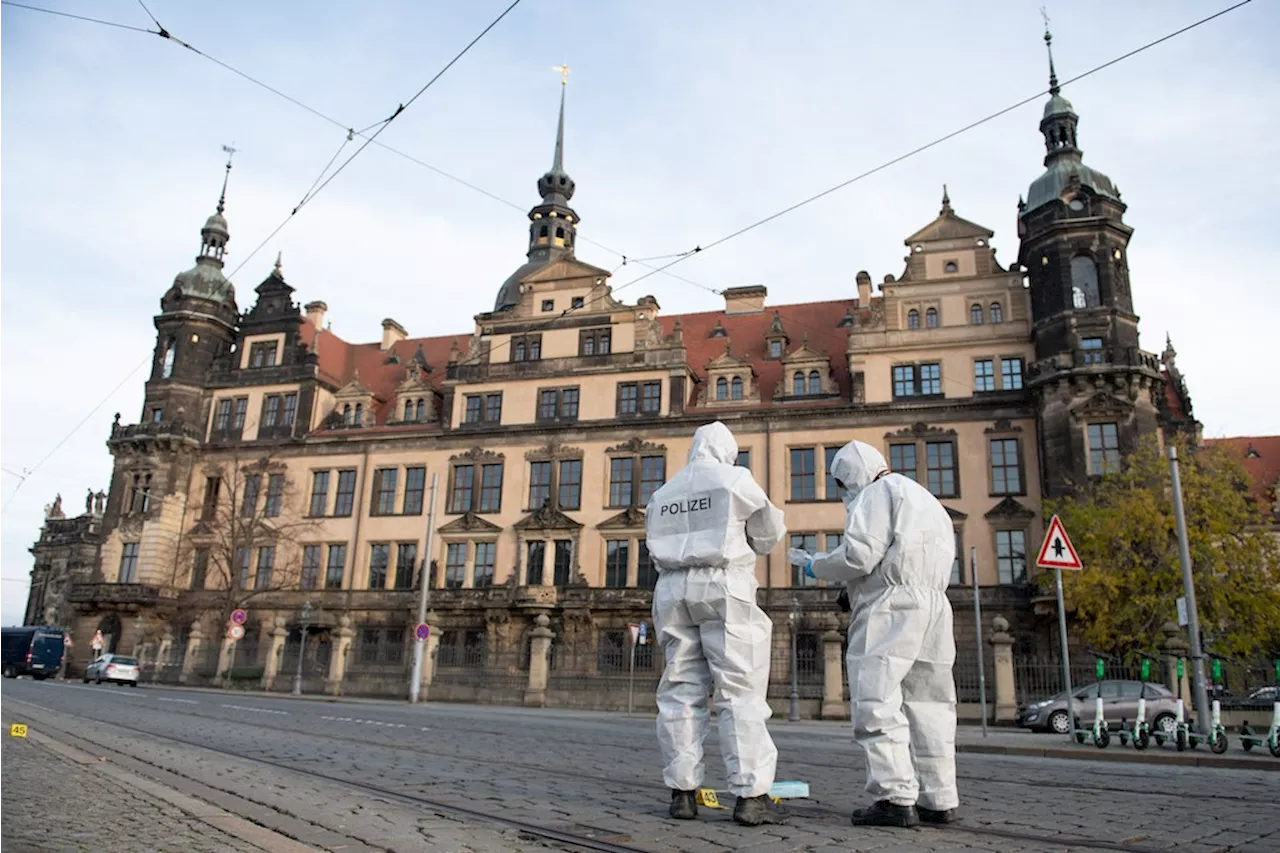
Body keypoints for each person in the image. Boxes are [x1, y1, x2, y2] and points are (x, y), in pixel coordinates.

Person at [789, 439, 959, 828]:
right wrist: (854, 590)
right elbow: (897, 556)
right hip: (935, 604)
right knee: (931, 702)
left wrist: (815, 564)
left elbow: (859, 555)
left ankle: (894, 796)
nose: (841, 492)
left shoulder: (874, 493)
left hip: (891, 608)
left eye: (840, 483)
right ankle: (940, 797)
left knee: (877, 697)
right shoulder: (927, 500)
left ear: (848, 476)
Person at [645, 421, 790, 826]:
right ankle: (750, 796)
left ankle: (683, 793)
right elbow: (767, 534)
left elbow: (651, 539)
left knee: (679, 688)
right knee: (739, 689)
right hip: (723, 582)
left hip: (671, 587)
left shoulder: (664, 491)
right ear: (729, 451)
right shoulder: (734, 479)